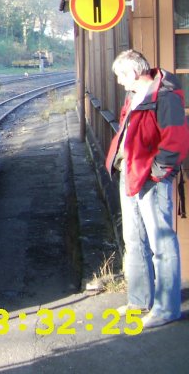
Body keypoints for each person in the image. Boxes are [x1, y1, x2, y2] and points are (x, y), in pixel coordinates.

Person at [105, 49, 189, 328]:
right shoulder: (134, 95)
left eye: (120, 75)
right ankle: (140, 300)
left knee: (161, 243)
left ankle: (167, 309)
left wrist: (156, 173)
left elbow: (175, 140)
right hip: (130, 173)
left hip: (151, 178)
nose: (118, 81)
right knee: (135, 239)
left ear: (134, 73)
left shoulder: (164, 96)